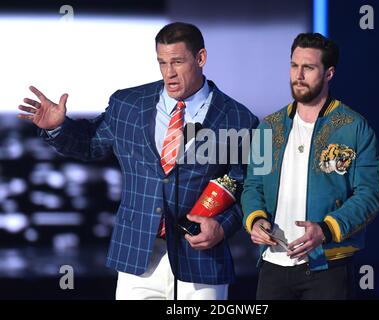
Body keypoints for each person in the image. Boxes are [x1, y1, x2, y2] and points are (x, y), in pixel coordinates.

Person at [18, 22, 259, 300]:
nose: (169, 73)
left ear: (201, 58)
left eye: (178, 62)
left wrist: (222, 226)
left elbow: (249, 186)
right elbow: (89, 145)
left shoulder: (238, 118)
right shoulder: (129, 104)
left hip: (202, 261)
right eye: (162, 62)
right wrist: (57, 127)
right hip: (138, 259)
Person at [241, 33, 379, 300]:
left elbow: (369, 195)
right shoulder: (267, 127)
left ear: (329, 73)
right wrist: (256, 219)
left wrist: (326, 229)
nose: (299, 75)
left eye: (308, 67)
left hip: (327, 266)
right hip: (273, 265)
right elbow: (252, 185)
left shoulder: (355, 128)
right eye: (294, 66)